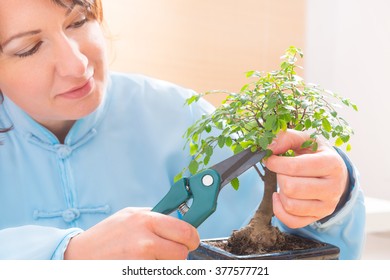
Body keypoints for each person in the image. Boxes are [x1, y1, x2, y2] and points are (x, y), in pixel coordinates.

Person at [0, 0, 365, 260]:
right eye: (29, 48)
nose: (77, 65)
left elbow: (302, 249)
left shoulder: (183, 117)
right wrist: (65, 255)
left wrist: (331, 199)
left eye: (78, 21)